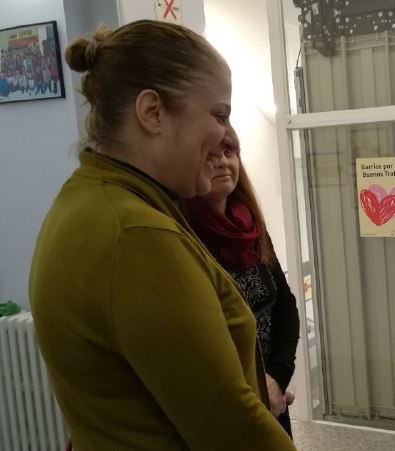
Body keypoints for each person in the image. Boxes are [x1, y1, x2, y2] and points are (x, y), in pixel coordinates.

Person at [28, 20, 295, 450]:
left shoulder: (87, 199)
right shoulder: (136, 235)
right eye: (219, 114)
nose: (229, 136)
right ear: (152, 112)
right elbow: (230, 428)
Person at [181, 128, 300, 437]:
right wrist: (254, 394)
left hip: (270, 395)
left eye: (229, 153)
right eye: (210, 155)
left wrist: (276, 380)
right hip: (221, 406)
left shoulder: (252, 228)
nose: (222, 162)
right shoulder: (181, 237)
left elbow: (285, 306)